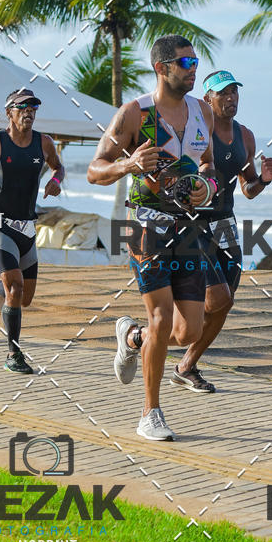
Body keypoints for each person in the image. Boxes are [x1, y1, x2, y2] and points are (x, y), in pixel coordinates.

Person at [87, 35, 227, 441]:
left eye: (196, 61)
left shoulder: (203, 111)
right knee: (162, 319)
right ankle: (150, 413)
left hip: (189, 228)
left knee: (188, 332)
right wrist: (128, 163)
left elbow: (209, 166)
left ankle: (131, 337)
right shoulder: (134, 114)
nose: (193, 69)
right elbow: (95, 169)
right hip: (144, 225)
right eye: (185, 62)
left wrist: (207, 187)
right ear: (161, 68)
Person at [169, 70, 272, 392]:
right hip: (192, 224)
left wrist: (265, 180)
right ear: (208, 99)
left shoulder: (246, 136)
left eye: (234, 93)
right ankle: (150, 334)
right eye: (223, 94)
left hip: (226, 222)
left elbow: (248, 189)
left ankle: (186, 365)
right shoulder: (196, 134)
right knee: (218, 297)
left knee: (225, 303)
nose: (230, 99)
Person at [0, 88, 64, 373]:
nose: (29, 111)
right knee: (14, 288)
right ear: (9, 112)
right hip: (0, 225)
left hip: (27, 227)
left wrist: (56, 180)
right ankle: (13, 355)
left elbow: (58, 167)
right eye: (23, 107)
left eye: (33, 107)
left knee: (23, 298)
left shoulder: (44, 143)